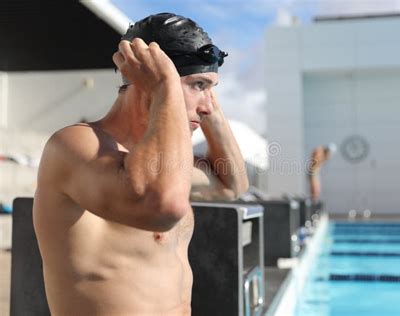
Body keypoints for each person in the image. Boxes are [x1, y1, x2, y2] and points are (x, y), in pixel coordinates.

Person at [33, 13, 249, 315]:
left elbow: (232, 185)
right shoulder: (76, 146)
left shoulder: (167, 166)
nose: (208, 106)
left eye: (210, 90)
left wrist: (201, 85)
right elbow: (161, 207)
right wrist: (166, 87)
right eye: (197, 86)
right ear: (147, 80)